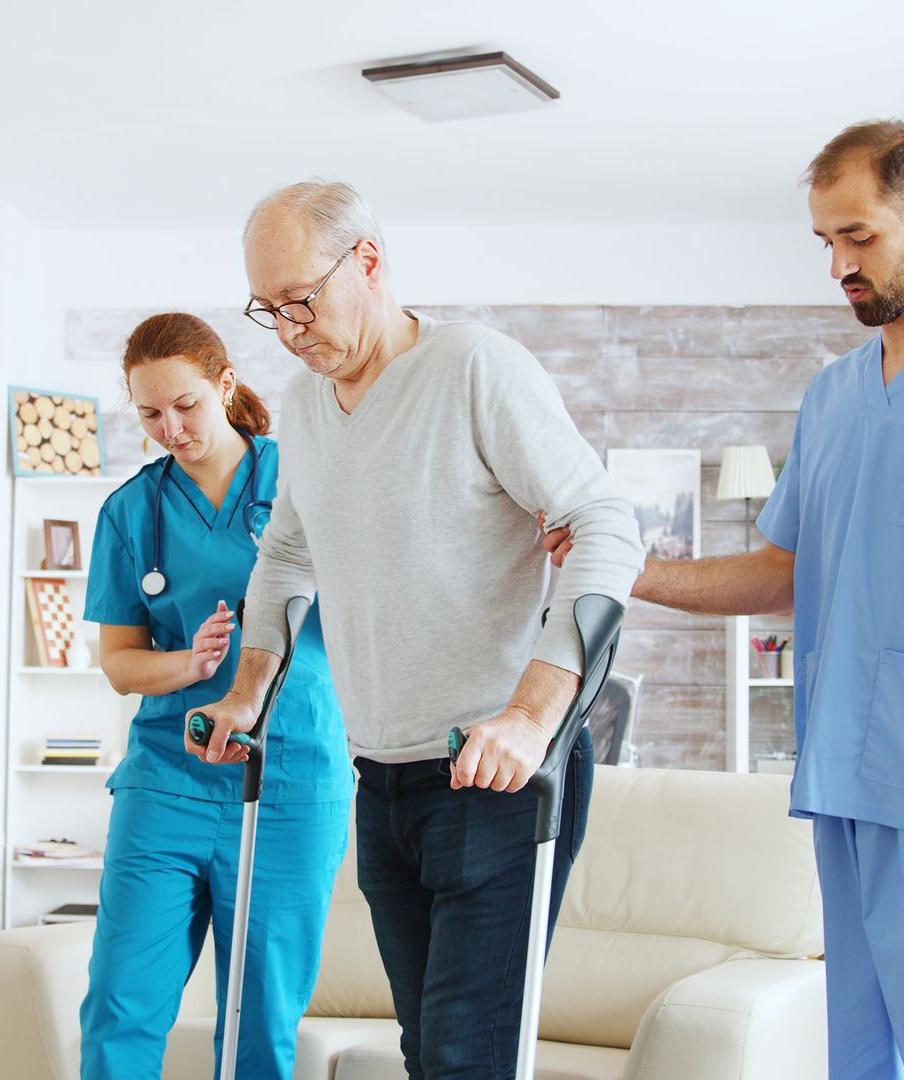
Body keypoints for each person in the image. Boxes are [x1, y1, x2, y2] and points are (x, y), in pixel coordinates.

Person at [545, 120, 904, 1078]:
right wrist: (628, 570)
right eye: (825, 242)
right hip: (844, 783)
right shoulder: (834, 396)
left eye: (859, 238)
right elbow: (781, 569)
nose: (838, 266)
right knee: (860, 1061)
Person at [191, 180, 643, 1079]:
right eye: (267, 309)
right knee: (426, 1055)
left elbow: (604, 524)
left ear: (367, 261)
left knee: (466, 1059)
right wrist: (247, 695)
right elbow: (285, 557)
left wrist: (530, 716)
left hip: (493, 773)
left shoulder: (474, 366)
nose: (288, 329)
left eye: (302, 300)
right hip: (383, 780)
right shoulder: (309, 406)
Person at [78, 312, 353, 1080]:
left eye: (186, 405)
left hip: (289, 775)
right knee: (119, 1004)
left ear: (225, 385)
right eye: (150, 413)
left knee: (257, 1019)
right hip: (166, 777)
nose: (171, 427)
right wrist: (190, 667)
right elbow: (121, 663)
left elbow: (374, 606)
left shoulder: (308, 474)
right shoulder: (132, 511)